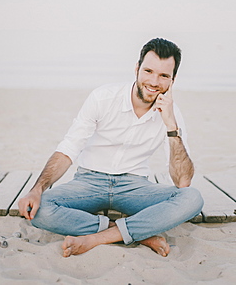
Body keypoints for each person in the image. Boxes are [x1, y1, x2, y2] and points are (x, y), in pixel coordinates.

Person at [18, 38, 203, 258]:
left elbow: (182, 182)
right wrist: (37, 189)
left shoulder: (173, 115)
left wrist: (171, 126)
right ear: (137, 69)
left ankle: (99, 237)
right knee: (38, 209)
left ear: (173, 80)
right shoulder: (103, 97)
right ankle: (137, 234)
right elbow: (69, 149)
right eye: (148, 71)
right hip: (89, 182)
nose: (154, 81)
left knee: (192, 198)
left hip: (134, 187)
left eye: (164, 75)